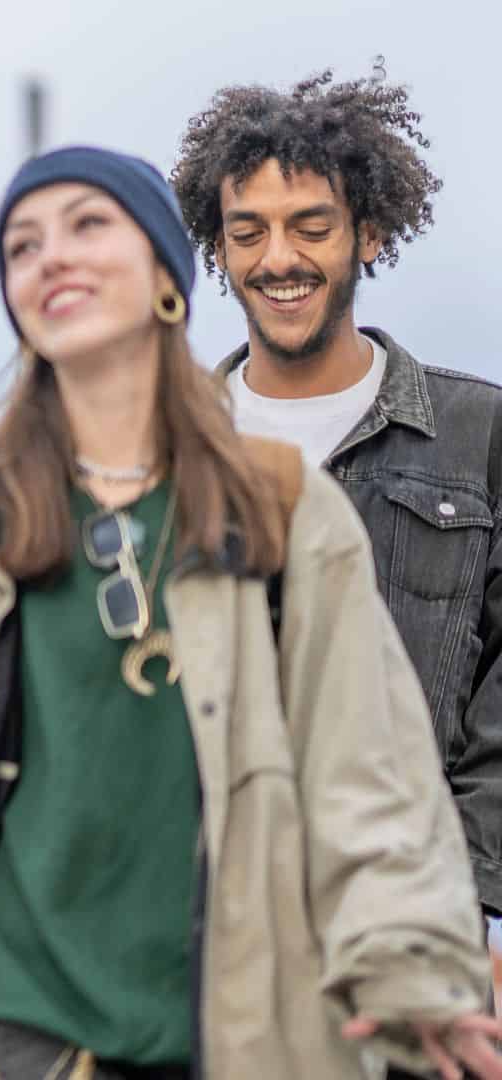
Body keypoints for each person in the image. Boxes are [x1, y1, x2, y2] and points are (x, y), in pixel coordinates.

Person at [0, 146, 502, 1080]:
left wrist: (415, 971)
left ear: (167, 271)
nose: (53, 257)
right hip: (17, 1040)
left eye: (89, 225)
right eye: (24, 246)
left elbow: (366, 774)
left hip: (239, 1039)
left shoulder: (281, 507)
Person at [171, 63, 502, 930]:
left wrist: (454, 890)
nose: (278, 259)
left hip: (404, 915)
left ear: (370, 234)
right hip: (197, 917)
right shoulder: (167, 449)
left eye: (310, 226)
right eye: (248, 233)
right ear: (218, 249)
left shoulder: (479, 436)